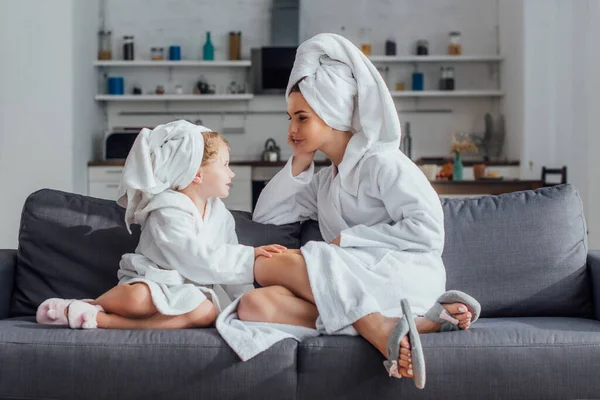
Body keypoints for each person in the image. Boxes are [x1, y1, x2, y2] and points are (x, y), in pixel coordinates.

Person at [233, 34, 481, 388]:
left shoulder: (383, 163)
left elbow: (428, 231)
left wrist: (346, 241)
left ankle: (381, 328)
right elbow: (268, 215)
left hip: (401, 275)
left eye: (301, 118)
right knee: (254, 306)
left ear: (332, 111)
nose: (291, 130)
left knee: (267, 263)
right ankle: (402, 323)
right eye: (289, 118)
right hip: (357, 285)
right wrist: (302, 157)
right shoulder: (325, 181)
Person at [36, 120, 286, 330]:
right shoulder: (167, 211)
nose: (231, 173)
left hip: (191, 292)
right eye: (224, 165)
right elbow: (191, 256)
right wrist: (248, 258)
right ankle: (91, 305)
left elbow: (232, 276)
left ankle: (100, 318)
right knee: (139, 297)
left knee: (205, 312)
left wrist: (244, 302)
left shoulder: (221, 216)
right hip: (154, 282)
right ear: (196, 174)